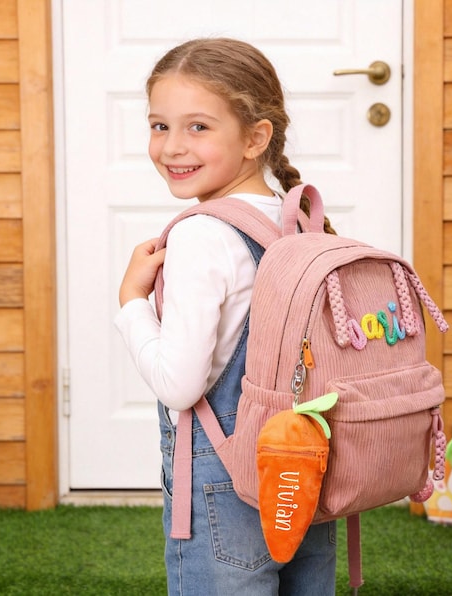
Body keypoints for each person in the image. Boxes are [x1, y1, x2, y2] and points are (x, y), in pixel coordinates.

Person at [115, 38, 337, 595]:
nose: (171, 147)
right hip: (304, 470)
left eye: (198, 127)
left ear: (256, 137)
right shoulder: (300, 221)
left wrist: (131, 305)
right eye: (159, 126)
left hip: (227, 481)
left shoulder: (201, 234)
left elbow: (179, 384)